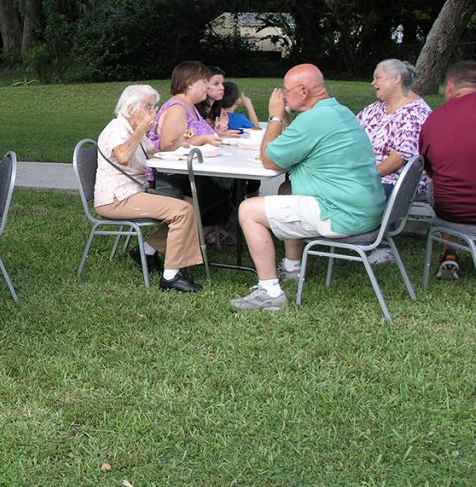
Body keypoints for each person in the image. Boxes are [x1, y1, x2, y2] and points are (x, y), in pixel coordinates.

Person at [230, 64, 385, 311]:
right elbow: (297, 140)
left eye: (286, 90)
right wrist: (287, 114)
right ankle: (292, 267)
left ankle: (269, 292)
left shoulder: (314, 120)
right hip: (366, 207)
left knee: (248, 210)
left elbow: (269, 158)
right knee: (285, 190)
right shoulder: (337, 111)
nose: (283, 95)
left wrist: (276, 116)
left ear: (303, 91)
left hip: (341, 213)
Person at [95, 85, 203, 292]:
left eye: (154, 106)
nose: (153, 112)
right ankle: (171, 276)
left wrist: (181, 142)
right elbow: (123, 157)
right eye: (148, 107)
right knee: (182, 211)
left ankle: (147, 249)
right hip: (116, 198)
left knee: (190, 204)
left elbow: (155, 153)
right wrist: (139, 130)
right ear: (130, 109)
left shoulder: (135, 130)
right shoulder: (117, 129)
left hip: (135, 192)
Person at [153, 61, 231, 228]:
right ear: (189, 84)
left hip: (192, 169)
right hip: (173, 174)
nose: (206, 86)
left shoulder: (190, 106)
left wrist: (217, 134)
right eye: (204, 81)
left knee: (230, 188)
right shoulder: (177, 108)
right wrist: (203, 140)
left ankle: (196, 238)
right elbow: (167, 145)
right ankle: (154, 246)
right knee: (220, 200)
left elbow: (191, 137)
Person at [418, 60, 476, 281]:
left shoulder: (434, 120)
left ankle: (448, 249)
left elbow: (429, 169)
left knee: (437, 184)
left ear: (450, 86)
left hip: (453, 212)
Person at [357, 59, 432, 198]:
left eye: (377, 77)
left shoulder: (415, 113)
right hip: (367, 178)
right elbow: (352, 134)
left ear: (396, 79)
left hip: (393, 184)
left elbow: (400, 159)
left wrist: (366, 175)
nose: (373, 83)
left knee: (338, 196)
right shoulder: (375, 109)